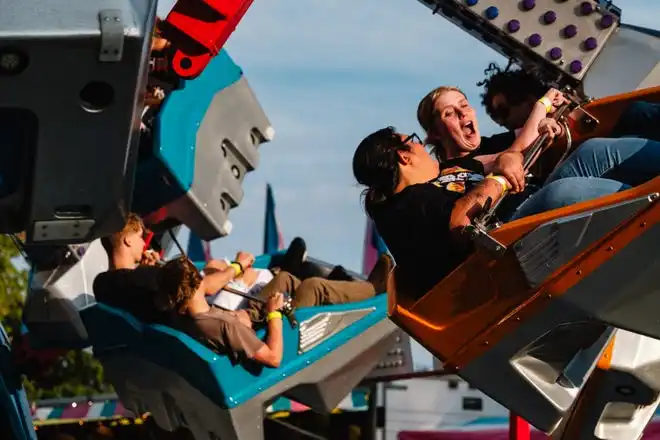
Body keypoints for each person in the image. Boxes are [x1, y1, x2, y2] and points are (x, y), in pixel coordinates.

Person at [352, 127, 660, 299]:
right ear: (404, 156)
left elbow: (507, 156)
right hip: (504, 257)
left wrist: (511, 157)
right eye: (413, 142)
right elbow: (462, 220)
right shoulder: (403, 207)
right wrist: (500, 178)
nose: (421, 147)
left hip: (521, 220)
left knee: (592, 152)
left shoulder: (444, 174)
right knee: (560, 194)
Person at [93, 213, 254, 324]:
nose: (144, 243)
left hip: (142, 347)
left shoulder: (100, 284)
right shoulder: (147, 277)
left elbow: (131, 286)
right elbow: (202, 288)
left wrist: (147, 270)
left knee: (214, 266)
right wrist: (237, 266)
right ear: (128, 240)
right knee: (249, 276)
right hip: (191, 334)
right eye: (141, 237)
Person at [158, 256, 285, 368]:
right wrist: (274, 314)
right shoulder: (227, 325)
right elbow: (273, 359)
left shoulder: (175, 317)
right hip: (247, 339)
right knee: (285, 280)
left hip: (234, 325)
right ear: (200, 282)